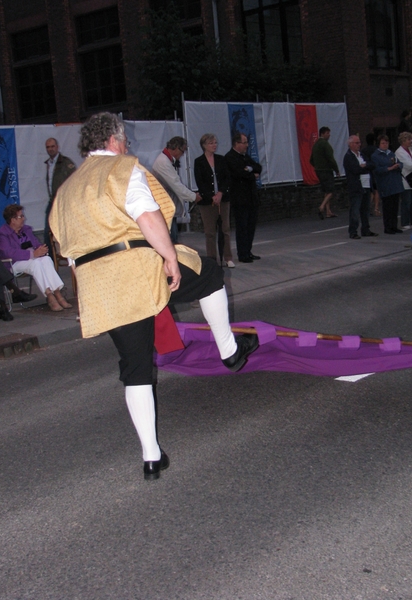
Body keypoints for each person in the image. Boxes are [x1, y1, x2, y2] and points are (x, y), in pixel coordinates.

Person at [49, 112, 259, 481]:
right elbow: (148, 216)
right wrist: (169, 257)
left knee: (135, 368)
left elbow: (65, 251)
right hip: (137, 266)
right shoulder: (122, 168)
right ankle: (228, 350)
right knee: (209, 273)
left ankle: (151, 457)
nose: (127, 147)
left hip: (98, 283)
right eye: (125, 141)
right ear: (114, 141)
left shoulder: (66, 190)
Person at [0, 205, 72, 311]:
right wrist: (32, 255)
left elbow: (36, 244)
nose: (24, 218)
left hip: (33, 259)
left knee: (46, 259)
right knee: (36, 263)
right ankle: (50, 296)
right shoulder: (3, 233)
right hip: (13, 263)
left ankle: (57, 293)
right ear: (12, 220)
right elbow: (8, 253)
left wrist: (41, 249)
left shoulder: (26, 230)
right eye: (20, 216)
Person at [194, 133, 234, 267]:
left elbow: (227, 178)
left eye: (215, 143)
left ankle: (228, 257)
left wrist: (220, 193)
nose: (214, 145)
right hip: (207, 201)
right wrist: (211, 195)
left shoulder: (221, 159)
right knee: (210, 231)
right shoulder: (198, 162)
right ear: (204, 145)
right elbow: (200, 182)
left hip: (223, 199)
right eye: (211, 143)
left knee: (225, 229)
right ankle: (212, 258)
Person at [151, 137, 201, 243]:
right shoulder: (163, 162)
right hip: (166, 208)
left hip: (168, 207)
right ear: (176, 148)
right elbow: (176, 185)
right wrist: (193, 197)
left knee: (173, 239)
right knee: (172, 241)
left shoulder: (165, 160)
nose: (183, 155)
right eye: (182, 151)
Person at [225, 132, 262, 263]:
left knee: (251, 226)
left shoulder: (245, 157)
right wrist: (251, 174)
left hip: (251, 197)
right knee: (242, 227)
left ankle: (248, 250)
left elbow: (258, 167)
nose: (246, 145)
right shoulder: (230, 157)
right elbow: (238, 174)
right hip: (240, 198)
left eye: (246, 142)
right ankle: (242, 253)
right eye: (244, 142)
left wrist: (249, 169)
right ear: (237, 144)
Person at [44, 138, 76, 255]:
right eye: (48, 147)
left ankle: (71, 255)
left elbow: (74, 182)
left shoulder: (66, 163)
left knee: (67, 230)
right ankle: (50, 260)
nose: (50, 149)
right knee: (48, 232)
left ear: (57, 147)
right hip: (53, 201)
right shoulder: (48, 163)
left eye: (52, 146)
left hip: (64, 202)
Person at [343, 135, 378, 240]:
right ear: (350, 144)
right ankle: (353, 231)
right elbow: (355, 170)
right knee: (355, 209)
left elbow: (372, 164)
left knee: (365, 209)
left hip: (366, 185)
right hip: (356, 186)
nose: (359, 145)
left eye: (359, 142)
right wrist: (364, 167)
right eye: (356, 143)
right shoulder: (348, 156)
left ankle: (366, 229)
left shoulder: (362, 155)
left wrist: (364, 166)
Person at [371, 135, 404, 234]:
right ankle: (388, 227)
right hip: (385, 183)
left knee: (395, 206)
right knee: (387, 207)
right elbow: (376, 169)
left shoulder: (391, 154)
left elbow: (400, 163)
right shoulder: (375, 156)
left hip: (395, 183)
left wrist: (398, 166)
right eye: (383, 143)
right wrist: (389, 168)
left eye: (386, 143)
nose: (385, 145)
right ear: (379, 144)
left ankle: (394, 226)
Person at [309, 126, 340, 219]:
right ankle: (322, 206)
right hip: (326, 170)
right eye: (327, 133)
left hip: (318, 171)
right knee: (331, 190)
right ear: (322, 134)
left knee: (326, 190)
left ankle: (328, 211)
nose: (329, 135)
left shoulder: (315, 144)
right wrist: (336, 169)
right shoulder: (325, 144)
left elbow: (311, 160)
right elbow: (331, 158)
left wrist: (317, 166)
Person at [394, 131, 412, 229]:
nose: (410, 141)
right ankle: (405, 222)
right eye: (409, 139)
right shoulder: (399, 152)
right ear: (403, 141)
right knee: (406, 202)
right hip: (406, 180)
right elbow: (409, 164)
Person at [361, 133, 381, 217]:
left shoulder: (363, 150)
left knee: (370, 191)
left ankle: (368, 207)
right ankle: (376, 208)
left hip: (367, 173)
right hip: (375, 172)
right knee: (376, 190)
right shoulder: (377, 150)